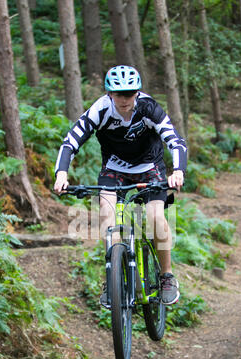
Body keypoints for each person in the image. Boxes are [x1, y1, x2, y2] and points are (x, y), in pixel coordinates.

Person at [54, 65, 187, 305]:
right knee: (107, 218)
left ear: (137, 92)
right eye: (118, 94)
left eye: (129, 93)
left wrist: (178, 171)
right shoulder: (100, 110)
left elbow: (175, 140)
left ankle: (167, 276)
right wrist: (61, 173)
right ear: (109, 94)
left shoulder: (149, 108)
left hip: (150, 168)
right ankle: (112, 279)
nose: (124, 99)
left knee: (155, 216)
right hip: (114, 169)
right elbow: (71, 141)